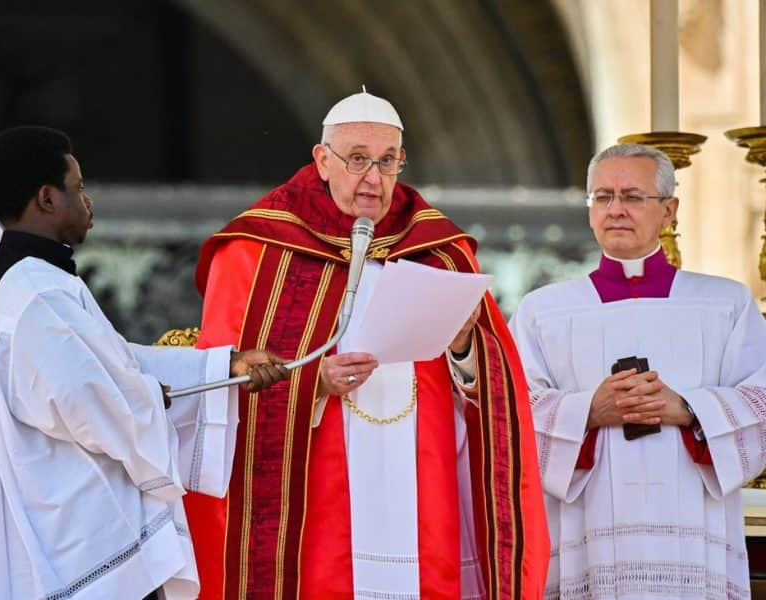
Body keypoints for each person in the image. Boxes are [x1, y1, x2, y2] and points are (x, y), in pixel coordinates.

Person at [185, 90, 549, 599]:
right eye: (357, 160)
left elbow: (495, 392)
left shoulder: (440, 250)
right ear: (322, 161)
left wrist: (467, 346)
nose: (373, 178)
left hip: (423, 482)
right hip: (319, 492)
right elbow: (220, 379)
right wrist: (314, 381)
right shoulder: (258, 249)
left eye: (387, 161)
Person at [0, 126, 290, 600]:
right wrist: (151, 401)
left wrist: (226, 367)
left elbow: (114, 364)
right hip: (79, 547)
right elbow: (93, 400)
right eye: (77, 188)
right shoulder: (38, 295)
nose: (87, 201)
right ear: (46, 198)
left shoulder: (34, 284)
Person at [509, 143, 766, 598]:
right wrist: (588, 411)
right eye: (602, 197)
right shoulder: (543, 311)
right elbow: (509, 409)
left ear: (669, 210)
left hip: (691, 521)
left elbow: (762, 398)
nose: (616, 210)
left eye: (632, 196)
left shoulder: (724, 305)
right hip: (587, 525)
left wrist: (688, 408)